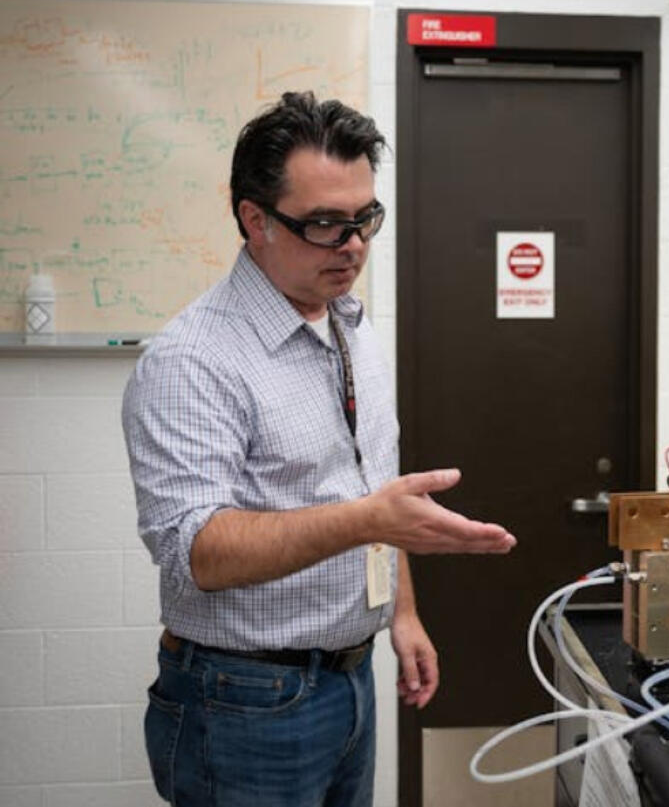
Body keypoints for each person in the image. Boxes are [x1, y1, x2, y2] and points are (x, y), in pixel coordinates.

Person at [121, 90, 516, 807]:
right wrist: (368, 520)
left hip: (349, 679)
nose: (355, 244)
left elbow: (373, 484)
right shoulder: (192, 360)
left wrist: (401, 612)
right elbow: (197, 548)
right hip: (242, 701)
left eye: (365, 218)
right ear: (254, 220)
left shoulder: (349, 323)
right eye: (326, 224)